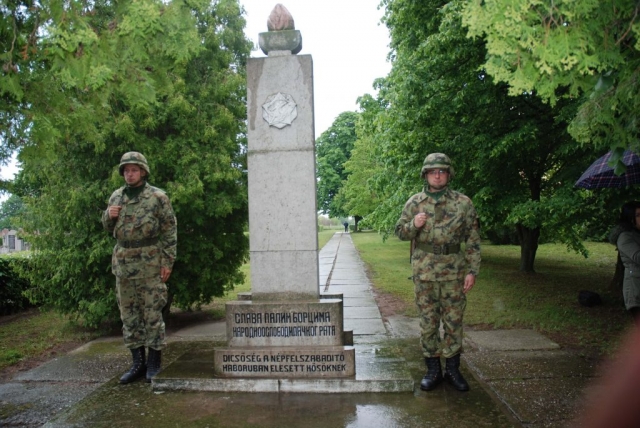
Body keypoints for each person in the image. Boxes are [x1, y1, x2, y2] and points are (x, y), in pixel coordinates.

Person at [395, 153, 481, 392]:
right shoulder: (414, 202)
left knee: (454, 322)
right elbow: (400, 232)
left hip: (454, 273)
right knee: (428, 322)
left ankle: (453, 369)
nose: (437, 175)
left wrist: (472, 271)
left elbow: (473, 240)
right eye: (433, 171)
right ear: (425, 174)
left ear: (449, 174)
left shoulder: (463, 203)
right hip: (424, 273)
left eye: (442, 171)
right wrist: (415, 225)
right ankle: (433, 369)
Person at [102, 152, 177, 384]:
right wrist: (108, 215)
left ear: (143, 171)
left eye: (134, 170)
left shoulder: (157, 197)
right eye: (126, 170)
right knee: (129, 315)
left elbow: (170, 230)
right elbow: (107, 228)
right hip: (123, 264)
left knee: (152, 313)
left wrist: (167, 262)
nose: (129, 174)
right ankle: (137, 363)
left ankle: (154, 363)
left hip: (150, 263)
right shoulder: (116, 196)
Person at [608, 201, 640, 323]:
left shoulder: (637, 233)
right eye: (638, 215)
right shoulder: (625, 237)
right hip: (635, 289)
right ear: (630, 218)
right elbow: (637, 257)